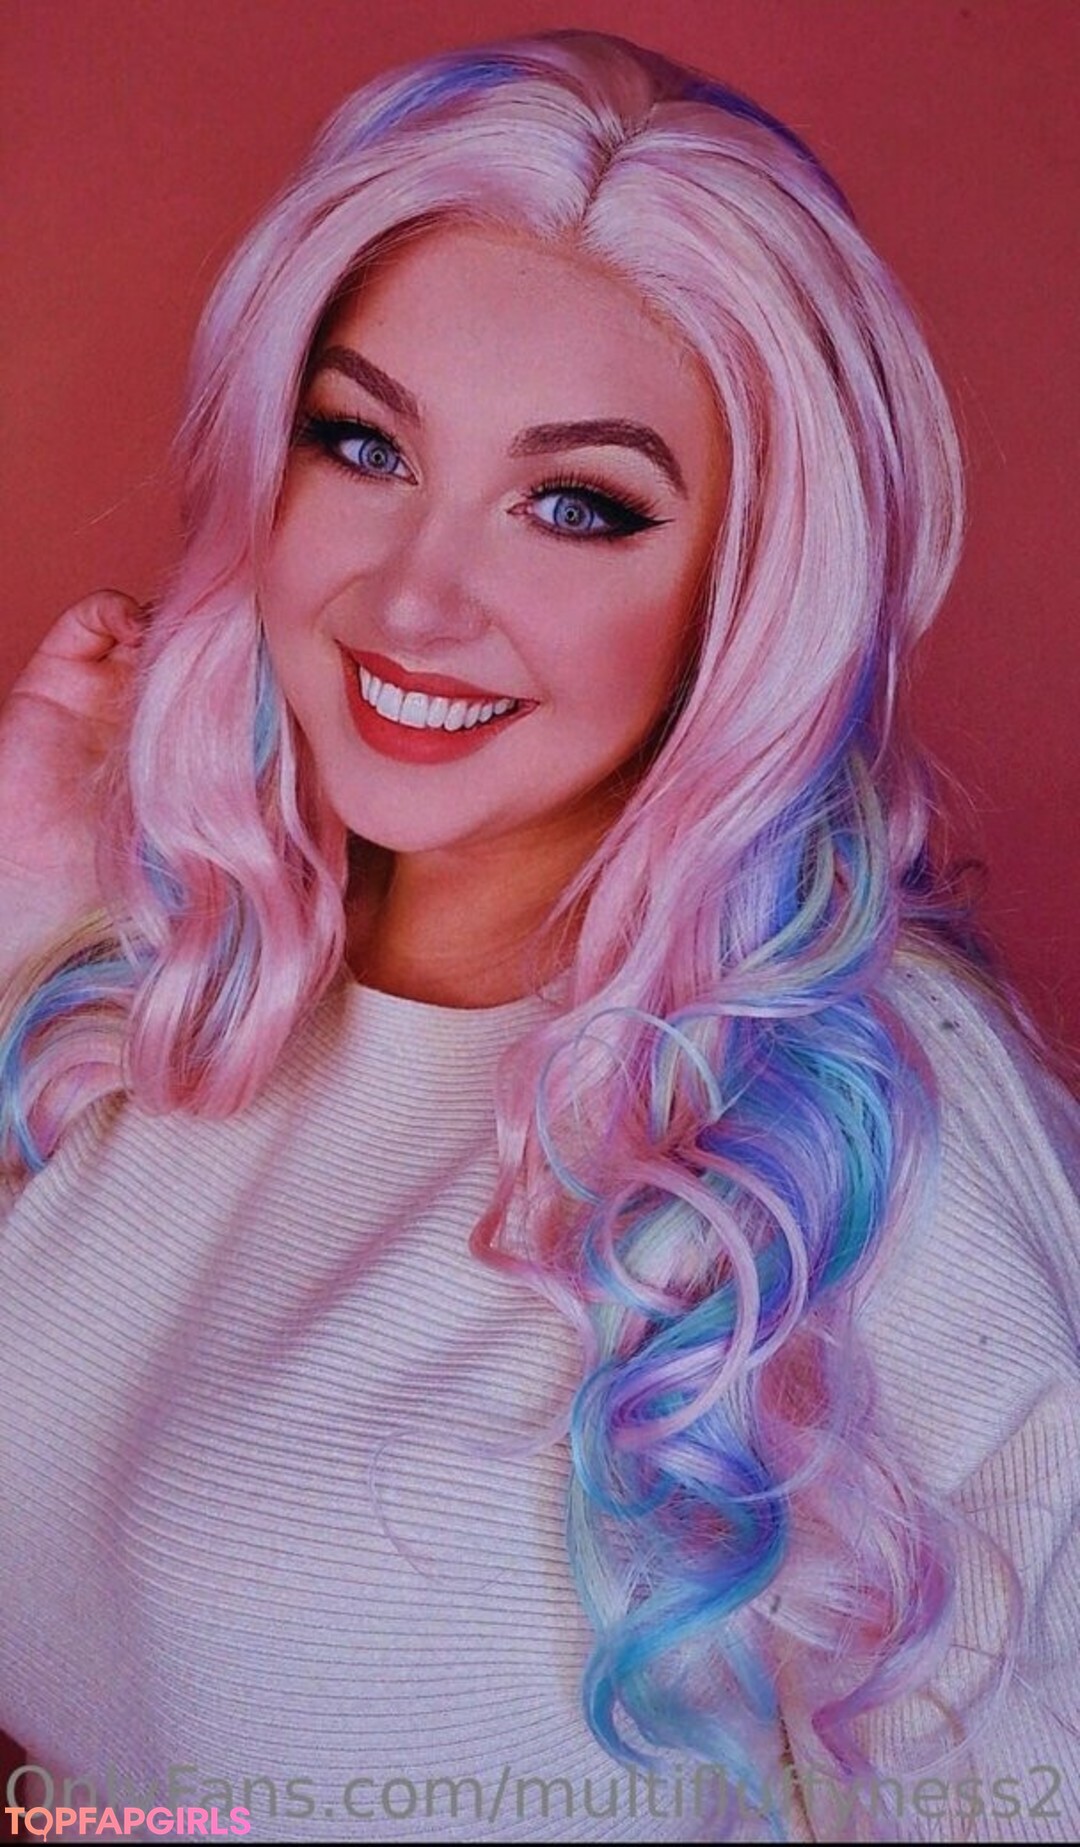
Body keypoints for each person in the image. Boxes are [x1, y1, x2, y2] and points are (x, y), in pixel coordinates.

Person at [0, 28, 1077, 1846]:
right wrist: (26, 909)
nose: (417, 598)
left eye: (578, 506)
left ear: (748, 593)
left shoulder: (856, 1124)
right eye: (362, 444)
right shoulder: (167, 974)